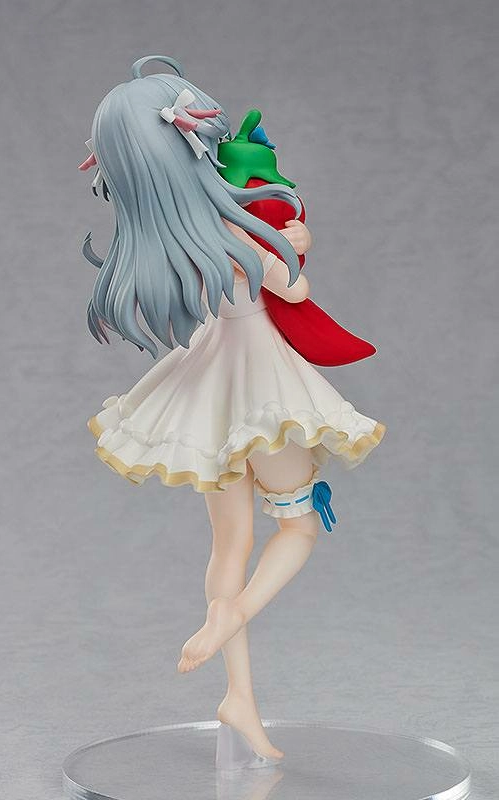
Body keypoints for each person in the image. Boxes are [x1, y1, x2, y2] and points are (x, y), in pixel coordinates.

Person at [80, 54, 385, 766]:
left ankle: (238, 694)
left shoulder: (155, 239)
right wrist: (296, 243)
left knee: (230, 544)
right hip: (261, 387)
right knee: (299, 526)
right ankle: (233, 615)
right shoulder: (237, 226)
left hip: (205, 383)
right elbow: (293, 292)